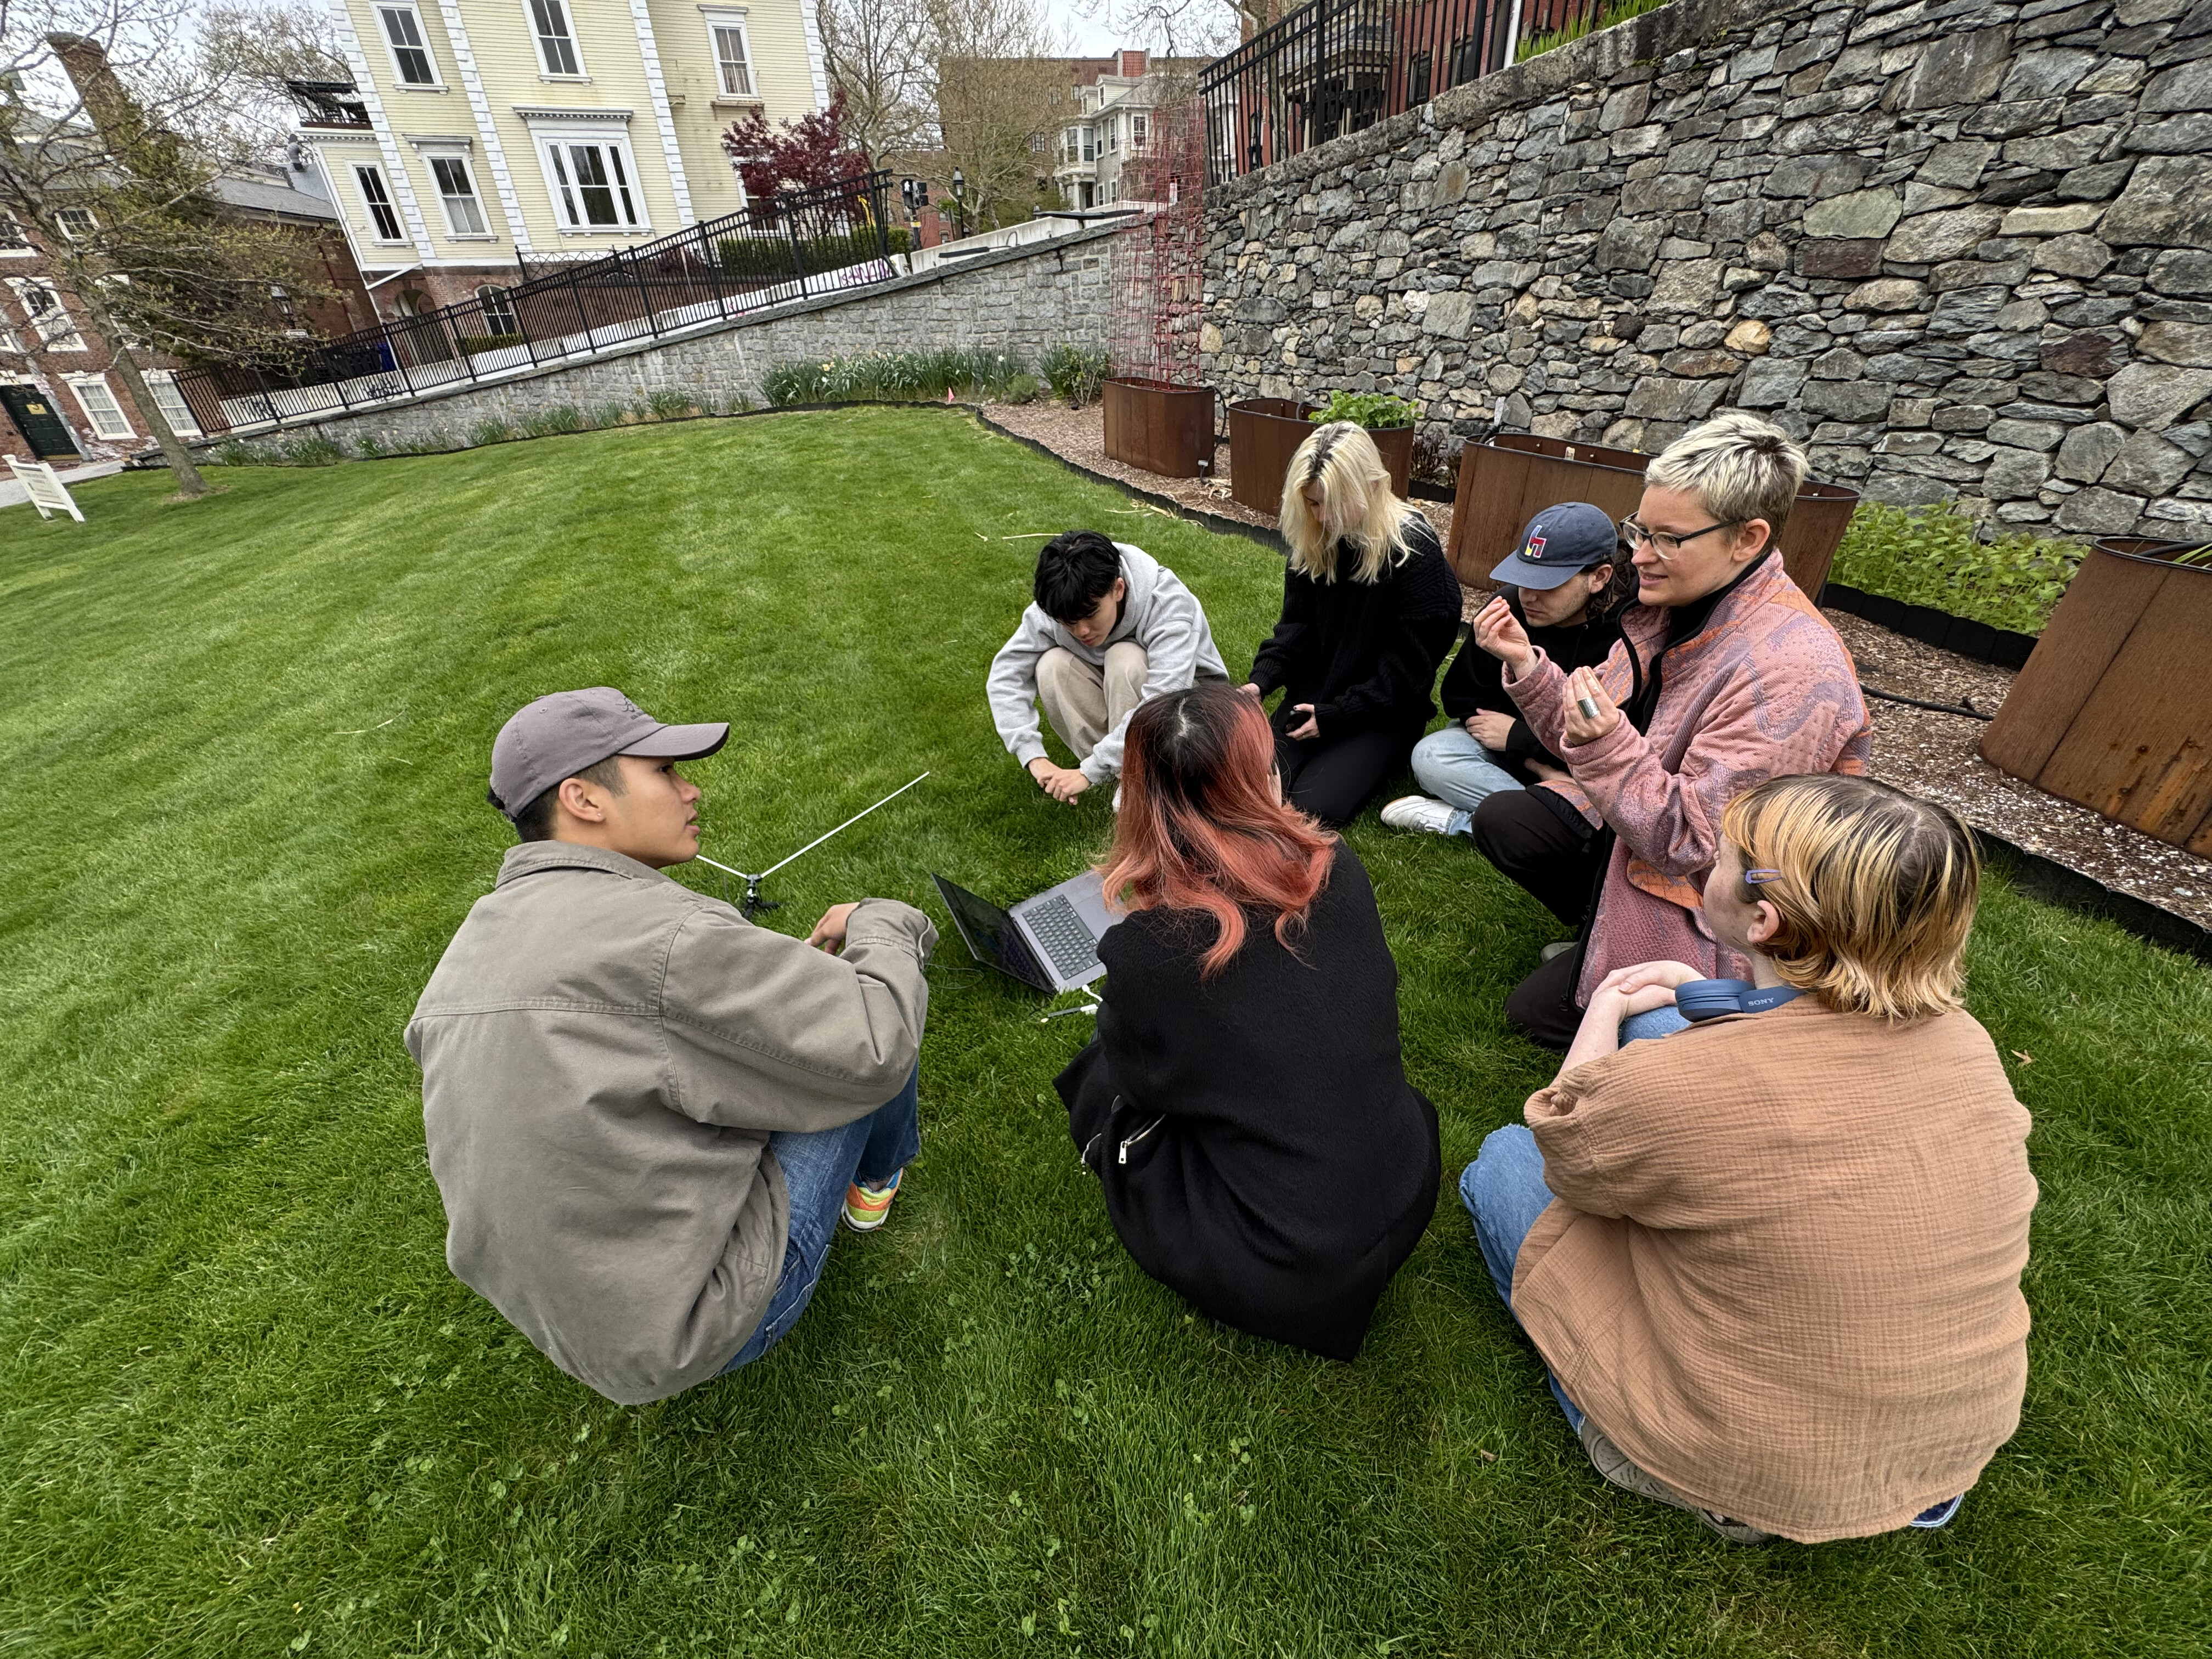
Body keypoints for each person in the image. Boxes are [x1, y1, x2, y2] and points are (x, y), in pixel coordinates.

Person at [1460, 774, 2037, 1545]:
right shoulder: (1968, 1043)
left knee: (1503, 1162)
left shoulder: (1690, 1086)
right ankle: (1880, 1485)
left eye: (1725, 856)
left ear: (1763, 920)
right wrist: (1702, 996)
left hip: (1765, 1461)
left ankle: (1693, 1482)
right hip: (1949, 1449)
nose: (1707, 862)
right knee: (1665, 1026)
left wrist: (1606, 1008)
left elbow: (1563, 1148)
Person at [405, 687, 935, 1406]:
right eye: (665, 772)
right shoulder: (666, 937)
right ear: (584, 799)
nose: (691, 790)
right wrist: (885, 922)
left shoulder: (467, 951)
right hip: (701, 1327)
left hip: (566, 1328)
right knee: (858, 1008)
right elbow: (877, 1040)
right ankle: (874, 1183)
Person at [1056, 682, 1441, 1361]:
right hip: (1409, 1184)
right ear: (1263, 782)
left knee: (1098, 1079)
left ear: (1141, 801)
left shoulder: (1149, 952)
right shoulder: (1336, 863)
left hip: (1288, 1262)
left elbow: (1143, 1089)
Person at [1468, 411, 1872, 1049]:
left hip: (1727, 911)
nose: (1638, 556)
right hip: (1641, 845)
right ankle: (1598, 929)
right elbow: (1586, 730)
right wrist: (1528, 666)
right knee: (1505, 819)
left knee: (1543, 1017)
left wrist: (1606, 746)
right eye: (1639, 531)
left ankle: (1719, 1007)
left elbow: (1691, 843)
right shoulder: (1671, 610)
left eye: (1667, 539)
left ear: (1747, 539)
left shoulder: (1792, 672)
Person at [1242, 422, 1463, 827]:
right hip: (1315, 695)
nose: (1322, 517)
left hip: (1385, 709)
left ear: (1373, 488)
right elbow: (1296, 629)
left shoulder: (1415, 554)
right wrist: (1261, 683)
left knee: (1313, 809)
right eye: (1312, 503)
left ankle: (1385, 755)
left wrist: (1337, 715)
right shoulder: (1314, 540)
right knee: (1255, 786)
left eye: (1334, 503)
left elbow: (1407, 674)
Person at [1381, 501, 1634, 836]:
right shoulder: (1509, 606)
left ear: (1599, 577)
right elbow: (1461, 698)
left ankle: (1471, 821)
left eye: (1547, 584)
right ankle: (1561, 818)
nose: (1528, 596)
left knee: (1613, 798)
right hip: (1509, 755)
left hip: (1589, 767)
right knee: (1433, 755)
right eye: (1523, 577)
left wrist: (1523, 740)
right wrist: (1532, 760)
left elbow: (1621, 740)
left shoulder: (1632, 632)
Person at [988, 529, 1227, 804]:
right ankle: (1114, 772)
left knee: (1124, 658)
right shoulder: (1058, 605)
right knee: (1052, 667)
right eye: (1069, 622)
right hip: (1125, 708)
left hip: (1190, 711)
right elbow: (1006, 676)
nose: (1081, 631)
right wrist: (1033, 756)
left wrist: (1089, 772)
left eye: (1090, 614)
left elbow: (1165, 698)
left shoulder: (1168, 602)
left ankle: (1139, 776)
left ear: (1118, 589)